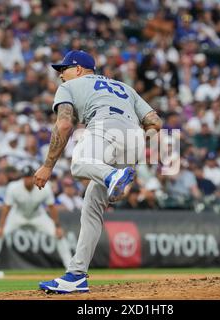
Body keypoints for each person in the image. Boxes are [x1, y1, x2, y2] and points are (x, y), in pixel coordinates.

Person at [33, 50, 162, 293]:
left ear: (79, 69)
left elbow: (64, 124)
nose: (61, 75)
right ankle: (76, 275)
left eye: (64, 69)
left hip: (104, 126)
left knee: (79, 163)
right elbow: (155, 122)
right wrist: (136, 146)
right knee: (92, 206)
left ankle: (112, 176)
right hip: (134, 137)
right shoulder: (124, 87)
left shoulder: (70, 86)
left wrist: (48, 165)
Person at [0, 166, 72, 272]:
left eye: (29, 177)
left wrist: (58, 226)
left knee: (59, 235)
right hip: (17, 215)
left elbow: (51, 207)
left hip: (37, 215)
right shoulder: (13, 187)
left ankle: (70, 267)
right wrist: (1, 227)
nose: (27, 179)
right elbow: (7, 208)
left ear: (34, 177)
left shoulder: (44, 187)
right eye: (25, 177)